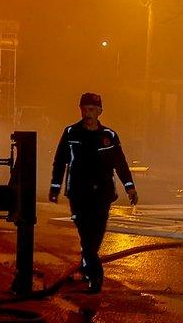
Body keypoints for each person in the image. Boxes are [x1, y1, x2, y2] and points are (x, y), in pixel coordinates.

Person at [49, 92, 137, 294]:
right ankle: (92, 271)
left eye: (91, 109)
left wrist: (129, 187)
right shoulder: (71, 133)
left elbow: (120, 163)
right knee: (85, 233)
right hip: (78, 194)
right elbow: (60, 161)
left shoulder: (109, 136)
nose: (87, 113)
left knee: (94, 236)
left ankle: (92, 272)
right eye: (84, 109)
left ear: (99, 112)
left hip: (102, 194)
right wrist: (55, 187)